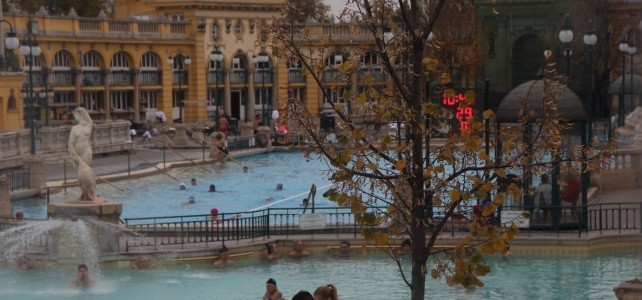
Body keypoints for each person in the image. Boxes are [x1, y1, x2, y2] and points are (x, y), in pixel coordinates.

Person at [68, 107, 97, 201]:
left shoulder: (89, 125)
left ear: (80, 114)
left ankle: (91, 193)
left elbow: (88, 118)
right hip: (76, 154)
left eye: (75, 114)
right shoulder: (74, 128)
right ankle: (84, 194)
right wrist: (74, 155)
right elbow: (70, 143)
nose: (75, 117)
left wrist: (79, 110)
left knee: (85, 174)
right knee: (79, 176)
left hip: (86, 152)